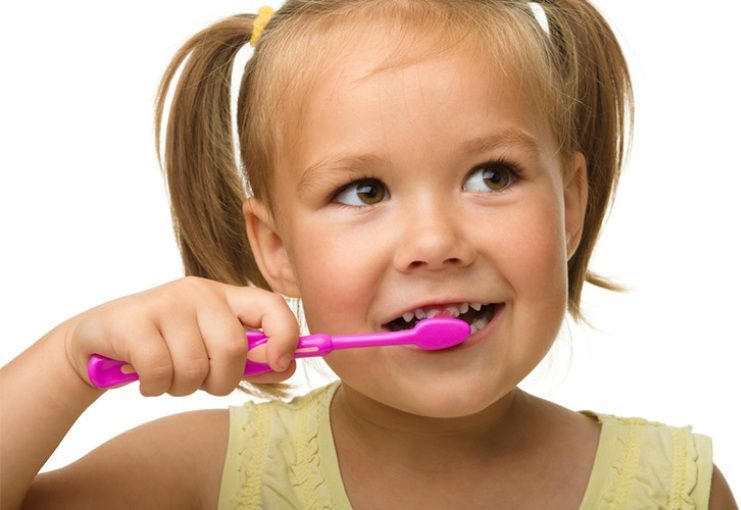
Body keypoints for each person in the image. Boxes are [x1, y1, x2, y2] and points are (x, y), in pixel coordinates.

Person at [1, 1, 737, 508]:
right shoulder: (205, 474)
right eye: (362, 191)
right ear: (277, 250)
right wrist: (68, 364)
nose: (434, 244)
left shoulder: (677, 488)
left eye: (492, 176)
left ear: (569, 204)